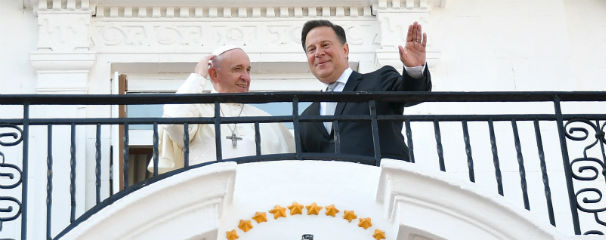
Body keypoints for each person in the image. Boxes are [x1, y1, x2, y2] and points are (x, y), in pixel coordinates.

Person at [298, 20, 432, 161]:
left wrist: (414, 70)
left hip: (381, 180)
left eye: (325, 45)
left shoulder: (379, 80)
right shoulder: (305, 117)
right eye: (311, 49)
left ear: (345, 50)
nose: (318, 53)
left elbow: (413, 94)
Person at [149, 46, 294, 174]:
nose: (246, 77)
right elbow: (174, 123)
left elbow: (289, 170)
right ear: (214, 74)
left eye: (248, 70)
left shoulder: (268, 121)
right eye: (237, 69)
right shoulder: (196, 111)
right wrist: (198, 77)